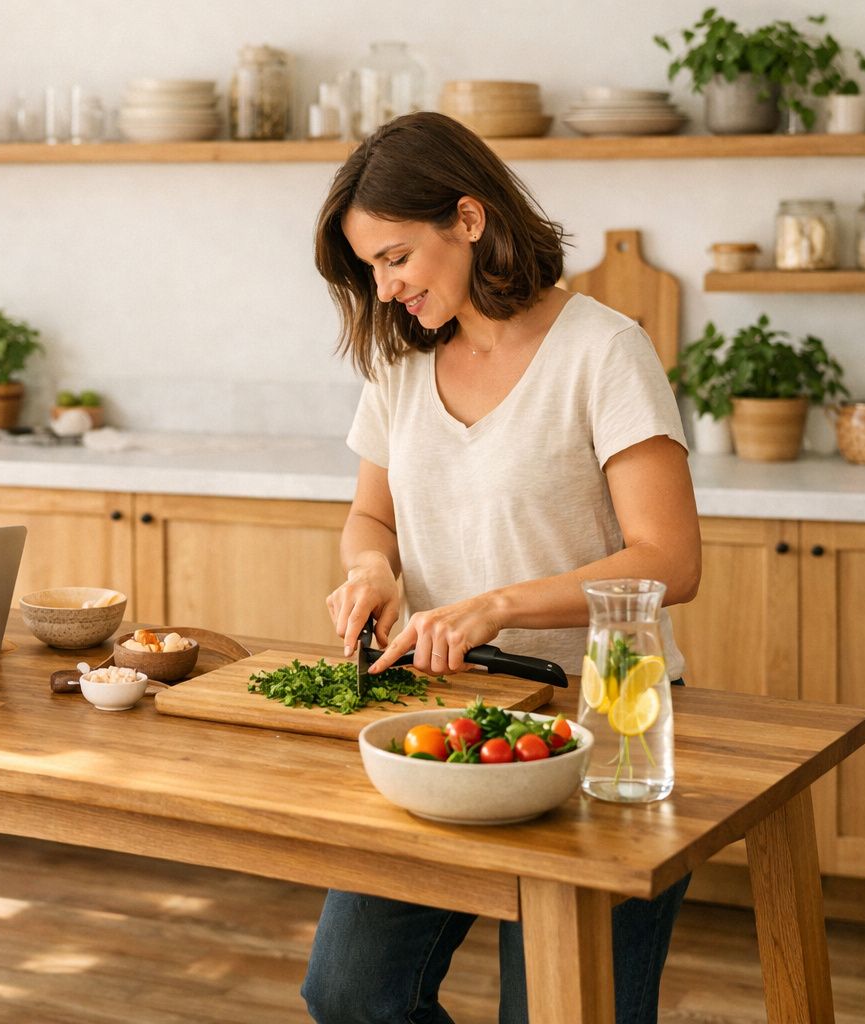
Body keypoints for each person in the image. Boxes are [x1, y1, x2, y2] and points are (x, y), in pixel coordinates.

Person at [300, 112, 701, 1024]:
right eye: (371, 268)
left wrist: (495, 607)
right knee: (351, 992)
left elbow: (670, 560)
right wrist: (372, 570)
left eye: (396, 257)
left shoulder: (603, 349)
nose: (385, 286)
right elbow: (371, 517)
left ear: (470, 219)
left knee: (562, 1012)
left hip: (604, 723)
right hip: (444, 721)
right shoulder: (400, 364)